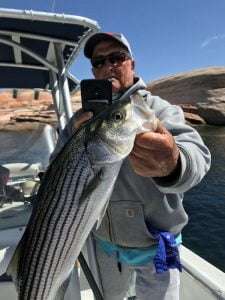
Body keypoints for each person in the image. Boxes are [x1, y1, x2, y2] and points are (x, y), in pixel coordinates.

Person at [51, 32, 211, 300]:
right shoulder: (80, 121)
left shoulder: (158, 110)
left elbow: (198, 156)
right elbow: (55, 168)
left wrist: (173, 163)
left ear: (132, 64)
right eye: (100, 61)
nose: (108, 66)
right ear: (93, 71)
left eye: (117, 57)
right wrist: (72, 144)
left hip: (157, 245)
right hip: (104, 245)